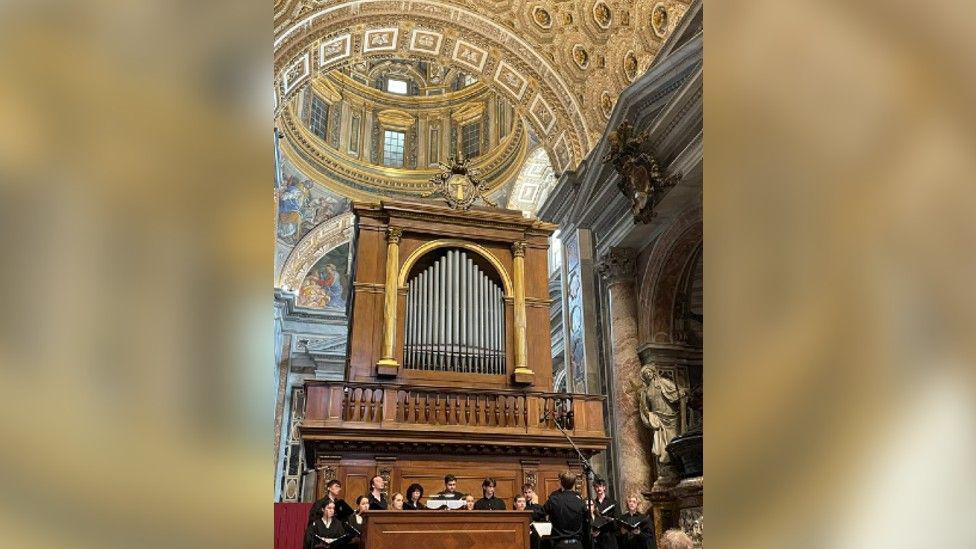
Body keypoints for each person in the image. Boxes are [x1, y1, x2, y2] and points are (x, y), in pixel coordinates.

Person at [543, 471, 587, 548]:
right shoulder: (580, 501)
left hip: (560, 544)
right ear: (573, 484)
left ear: (561, 483)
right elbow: (586, 520)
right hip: (577, 545)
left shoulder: (554, 499)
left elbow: (539, 513)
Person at [591, 479, 618, 549]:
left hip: (610, 537)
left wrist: (611, 519)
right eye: (596, 487)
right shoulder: (593, 503)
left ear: (604, 487)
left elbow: (618, 519)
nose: (598, 488)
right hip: (598, 538)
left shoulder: (613, 502)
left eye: (600, 486)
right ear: (594, 488)